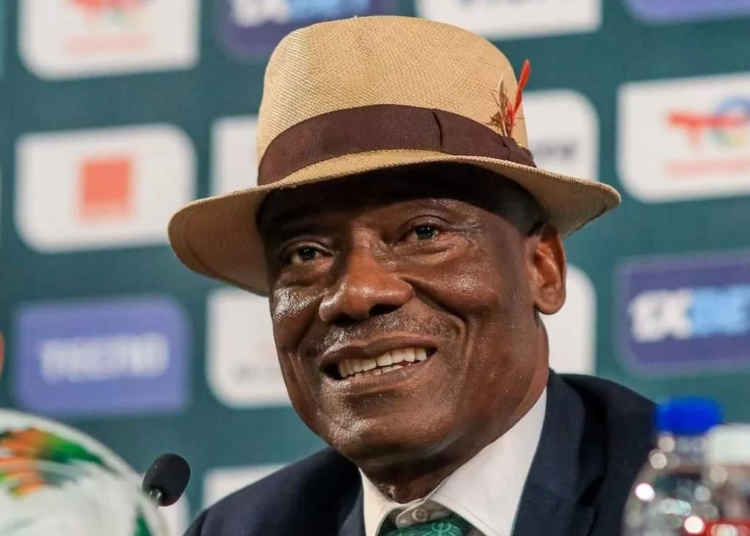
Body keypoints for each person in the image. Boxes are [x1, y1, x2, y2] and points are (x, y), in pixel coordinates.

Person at [169, 15, 655, 536]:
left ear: (542, 269)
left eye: (423, 232)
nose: (356, 293)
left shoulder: (684, 499)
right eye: (305, 252)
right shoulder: (241, 529)